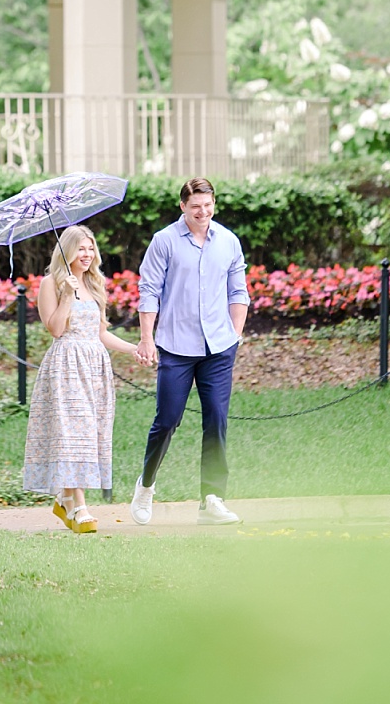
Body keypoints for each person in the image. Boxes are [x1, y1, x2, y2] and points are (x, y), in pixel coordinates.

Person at [129, 177, 249, 526]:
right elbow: (149, 291)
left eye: (208, 205)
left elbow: (238, 291)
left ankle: (211, 499)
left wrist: (234, 336)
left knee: (217, 419)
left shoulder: (228, 241)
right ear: (183, 206)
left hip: (218, 348)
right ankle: (146, 485)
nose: (202, 211)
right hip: (176, 347)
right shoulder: (164, 241)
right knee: (167, 421)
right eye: (195, 206)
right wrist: (147, 339)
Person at [23, 224, 144, 533]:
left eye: (91, 248)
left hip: (94, 368)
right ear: (67, 251)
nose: (87, 254)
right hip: (66, 365)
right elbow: (55, 329)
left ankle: (64, 499)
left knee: (89, 434)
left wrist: (135, 349)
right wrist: (66, 295)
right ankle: (79, 507)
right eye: (81, 248)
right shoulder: (51, 283)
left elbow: (100, 333)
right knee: (71, 433)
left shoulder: (94, 283)